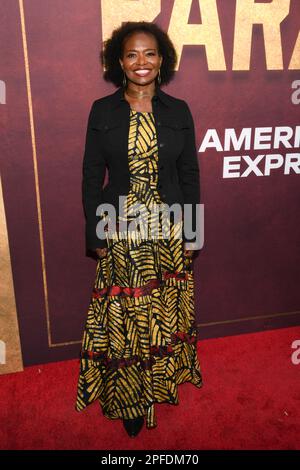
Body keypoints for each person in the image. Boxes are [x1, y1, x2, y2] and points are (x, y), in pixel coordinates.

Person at [76, 21, 203, 438]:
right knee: (129, 316)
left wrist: (193, 233)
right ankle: (131, 397)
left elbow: (190, 175)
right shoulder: (103, 110)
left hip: (168, 225)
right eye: (132, 54)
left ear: (162, 59)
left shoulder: (179, 110)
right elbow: (92, 175)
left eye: (149, 53)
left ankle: (163, 383)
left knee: (163, 311)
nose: (141, 62)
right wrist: (96, 234)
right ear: (120, 61)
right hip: (122, 225)